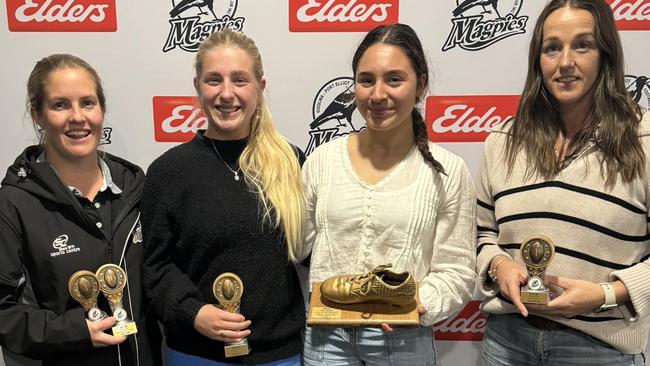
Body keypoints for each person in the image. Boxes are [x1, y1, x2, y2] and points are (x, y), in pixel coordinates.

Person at [476, 1, 650, 365]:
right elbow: (482, 234)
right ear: (538, 59)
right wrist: (499, 266)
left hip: (599, 349)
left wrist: (608, 293)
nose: (565, 61)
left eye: (582, 45)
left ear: (605, 55)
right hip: (506, 343)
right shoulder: (503, 141)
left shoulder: (644, 138)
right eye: (552, 47)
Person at [300, 23, 477, 366]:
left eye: (394, 79)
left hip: (403, 340)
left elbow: (456, 271)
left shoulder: (448, 170)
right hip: (326, 338)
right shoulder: (322, 161)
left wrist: (414, 305)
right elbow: (298, 245)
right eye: (366, 80)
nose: (378, 94)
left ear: (420, 84)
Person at [141, 29, 306, 366]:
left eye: (240, 80)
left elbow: (316, 250)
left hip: (278, 354)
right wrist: (193, 311)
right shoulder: (168, 171)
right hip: (195, 353)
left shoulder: (291, 161)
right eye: (214, 80)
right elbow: (155, 266)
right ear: (198, 88)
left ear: (259, 88)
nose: (226, 93)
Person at [0, 54, 161, 366]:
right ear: (37, 114)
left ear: (101, 109)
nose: (77, 117)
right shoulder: (14, 202)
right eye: (60, 105)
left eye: (88, 103)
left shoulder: (135, 187)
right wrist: (72, 330)